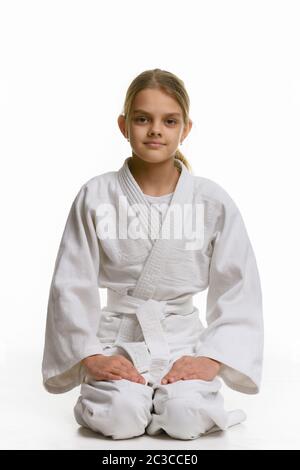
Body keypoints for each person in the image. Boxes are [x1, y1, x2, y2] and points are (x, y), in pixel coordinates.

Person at [42, 68, 264, 440]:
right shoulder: (96, 197)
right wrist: (91, 356)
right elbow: (71, 281)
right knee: (121, 416)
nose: (155, 129)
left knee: (185, 417)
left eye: (169, 120)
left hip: (183, 341)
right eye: (143, 119)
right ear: (124, 125)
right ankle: (133, 403)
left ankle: (172, 404)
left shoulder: (211, 201)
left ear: (186, 128)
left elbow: (239, 287)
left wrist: (212, 358)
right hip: (118, 340)